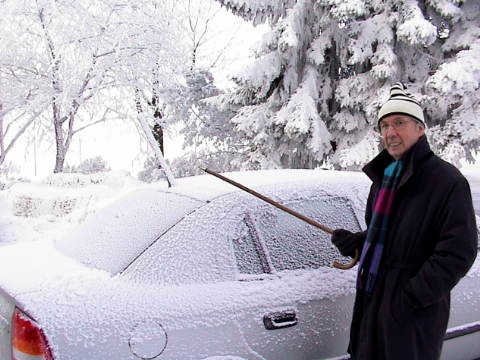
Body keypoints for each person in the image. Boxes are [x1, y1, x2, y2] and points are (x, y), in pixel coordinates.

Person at [331, 82, 478, 360]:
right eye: (384, 126)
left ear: (420, 128)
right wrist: (357, 243)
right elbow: (384, 238)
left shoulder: (446, 181)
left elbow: (459, 252)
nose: (390, 132)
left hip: (412, 311)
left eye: (399, 123)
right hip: (372, 298)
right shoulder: (384, 179)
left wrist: (410, 298)